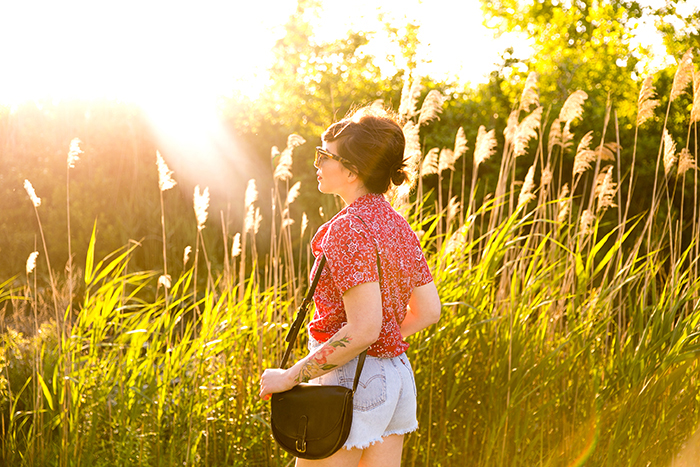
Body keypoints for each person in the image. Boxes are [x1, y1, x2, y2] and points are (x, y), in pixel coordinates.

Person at [260, 105, 441, 467]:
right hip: (396, 377)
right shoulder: (396, 225)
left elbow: (362, 329)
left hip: (350, 381)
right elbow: (429, 311)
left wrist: (289, 377)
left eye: (325, 156)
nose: (317, 164)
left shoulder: (347, 228)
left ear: (353, 171)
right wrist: (383, 339)